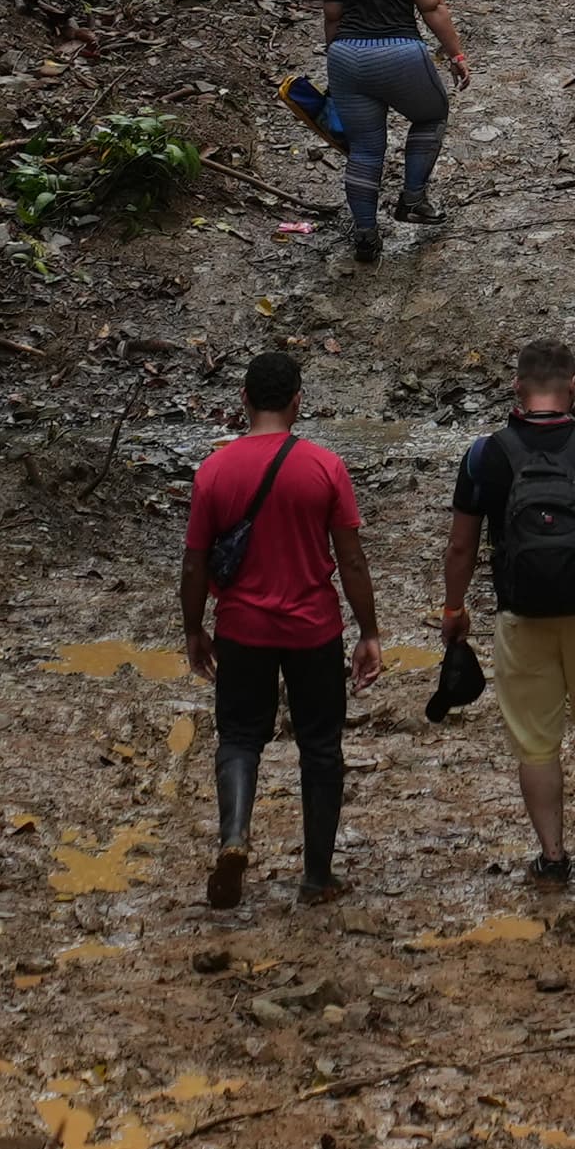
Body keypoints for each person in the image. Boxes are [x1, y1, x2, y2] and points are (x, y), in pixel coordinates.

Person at [444, 338, 575, 886]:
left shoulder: (484, 454)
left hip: (521, 615)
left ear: (517, 386)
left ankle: (554, 856)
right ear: (572, 385)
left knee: (536, 742)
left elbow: (462, 548)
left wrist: (454, 608)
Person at [178, 351, 384, 909]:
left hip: (241, 629)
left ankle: (235, 837)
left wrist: (194, 627)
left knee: (240, 737)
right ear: (298, 402)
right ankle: (316, 876)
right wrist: (368, 632)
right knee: (321, 747)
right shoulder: (324, 467)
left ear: (242, 402)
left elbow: (196, 562)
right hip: (313, 629)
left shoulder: (214, 471)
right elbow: (352, 560)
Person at [315, 0, 474, 261]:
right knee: (433, 113)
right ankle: (413, 199)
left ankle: (366, 236)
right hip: (398, 52)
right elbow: (431, 5)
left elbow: (332, 15)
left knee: (365, 150)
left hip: (346, 57)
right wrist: (456, 55)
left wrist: (337, 66)